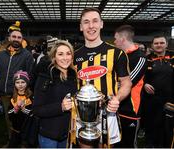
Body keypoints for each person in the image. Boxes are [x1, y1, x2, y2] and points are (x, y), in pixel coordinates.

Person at [74, 7, 132, 147]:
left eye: (95, 21)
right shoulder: (73, 56)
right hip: (81, 116)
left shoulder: (117, 53)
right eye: (86, 22)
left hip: (107, 114)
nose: (91, 26)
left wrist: (117, 99)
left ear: (101, 24)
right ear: (81, 27)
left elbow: (126, 83)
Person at [0, 21, 34, 143]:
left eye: (19, 37)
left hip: (19, 94)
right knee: (9, 118)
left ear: (22, 40)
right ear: (9, 38)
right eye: (14, 37)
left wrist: (27, 93)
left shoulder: (27, 55)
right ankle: (12, 141)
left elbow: (30, 75)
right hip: (4, 94)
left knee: (21, 118)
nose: (16, 39)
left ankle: (23, 141)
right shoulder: (1, 55)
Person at [33, 40, 77, 148]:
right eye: (60, 54)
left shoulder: (73, 76)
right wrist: (60, 107)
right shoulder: (46, 76)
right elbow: (37, 109)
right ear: (54, 57)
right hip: (49, 136)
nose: (65, 58)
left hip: (67, 134)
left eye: (68, 53)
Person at [113, 25, 147, 148]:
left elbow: (127, 83)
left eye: (116, 39)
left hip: (130, 110)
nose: (114, 42)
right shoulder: (120, 56)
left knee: (129, 144)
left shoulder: (140, 57)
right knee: (116, 143)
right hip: (115, 108)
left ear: (122, 39)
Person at [143, 35, 174, 147]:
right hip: (152, 101)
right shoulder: (146, 59)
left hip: (170, 101)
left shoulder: (173, 57)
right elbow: (139, 78)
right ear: (152, 45)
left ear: (166, 44)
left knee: (168, 128)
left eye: (161, 43)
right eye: (156, 43)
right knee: (152, 127)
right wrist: (144, 84)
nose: (159, 45)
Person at [8, 70, 32, 147]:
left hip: (28, 129)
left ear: (27, 83)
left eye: (23, 82)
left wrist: (23, 108)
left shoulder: (30, 97)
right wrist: (16, 108)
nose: (20, 85)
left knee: (26, 145)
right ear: (14, 84)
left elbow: (33, 113)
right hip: (16, 129)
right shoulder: (13, 98)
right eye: (17, 82)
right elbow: (9, 114)